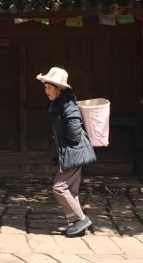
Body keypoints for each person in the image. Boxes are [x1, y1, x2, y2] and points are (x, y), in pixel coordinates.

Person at [36, 67, 97, 237]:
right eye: (45, 87)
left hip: (74, 153)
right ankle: (77, 224)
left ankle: (81, 219)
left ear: (59, 89)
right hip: (71, 152)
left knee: (59, 188)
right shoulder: (59, 105)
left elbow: (74, 131)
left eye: (49, 87)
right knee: (71, 191)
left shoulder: (68, 105)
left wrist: (66, 142)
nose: (46, 91)